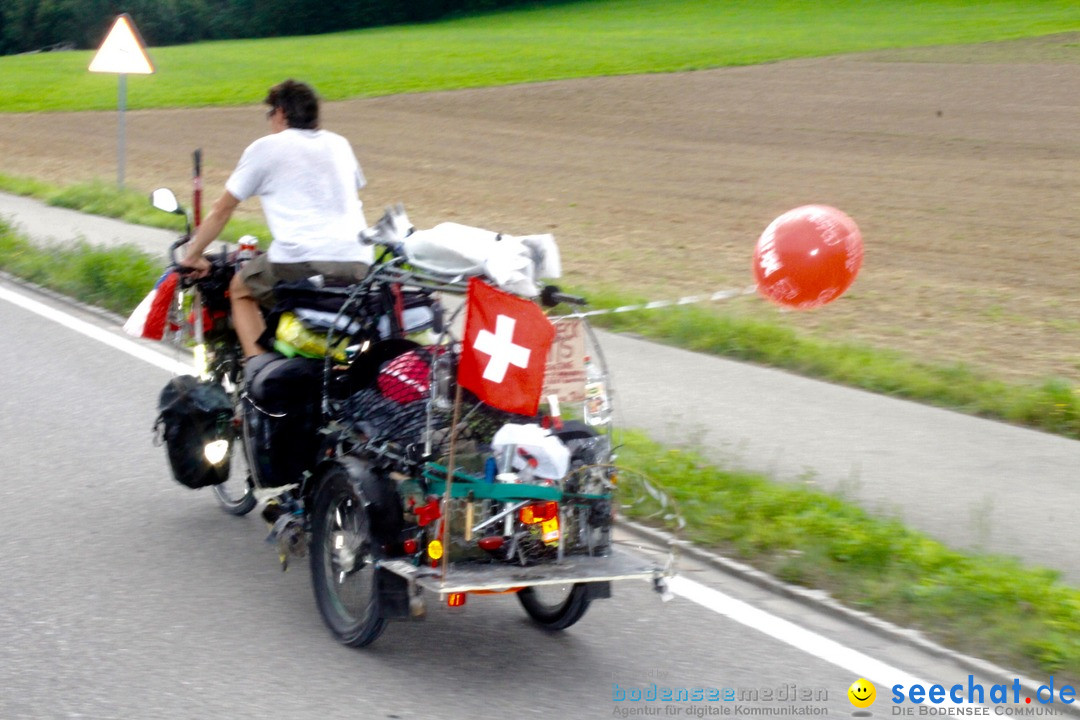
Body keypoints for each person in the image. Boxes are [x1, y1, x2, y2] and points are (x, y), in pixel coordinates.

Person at [180, 79, 372, 358]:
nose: (270, 121)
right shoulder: (340, 144)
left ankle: (259, 372)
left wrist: (193, 255)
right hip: (359, 261)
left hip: (301, 260)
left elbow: (222, 210)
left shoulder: (266, 147)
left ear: (281, 113)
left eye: (270, 114)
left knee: (240, 288)